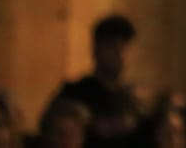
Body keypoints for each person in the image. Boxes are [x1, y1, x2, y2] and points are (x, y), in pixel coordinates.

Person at [49, 15, 139, 148]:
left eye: (123, 47)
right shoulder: (75, 94)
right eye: (112, 47)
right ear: (96, 50)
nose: (120, 55)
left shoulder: (132, 101)